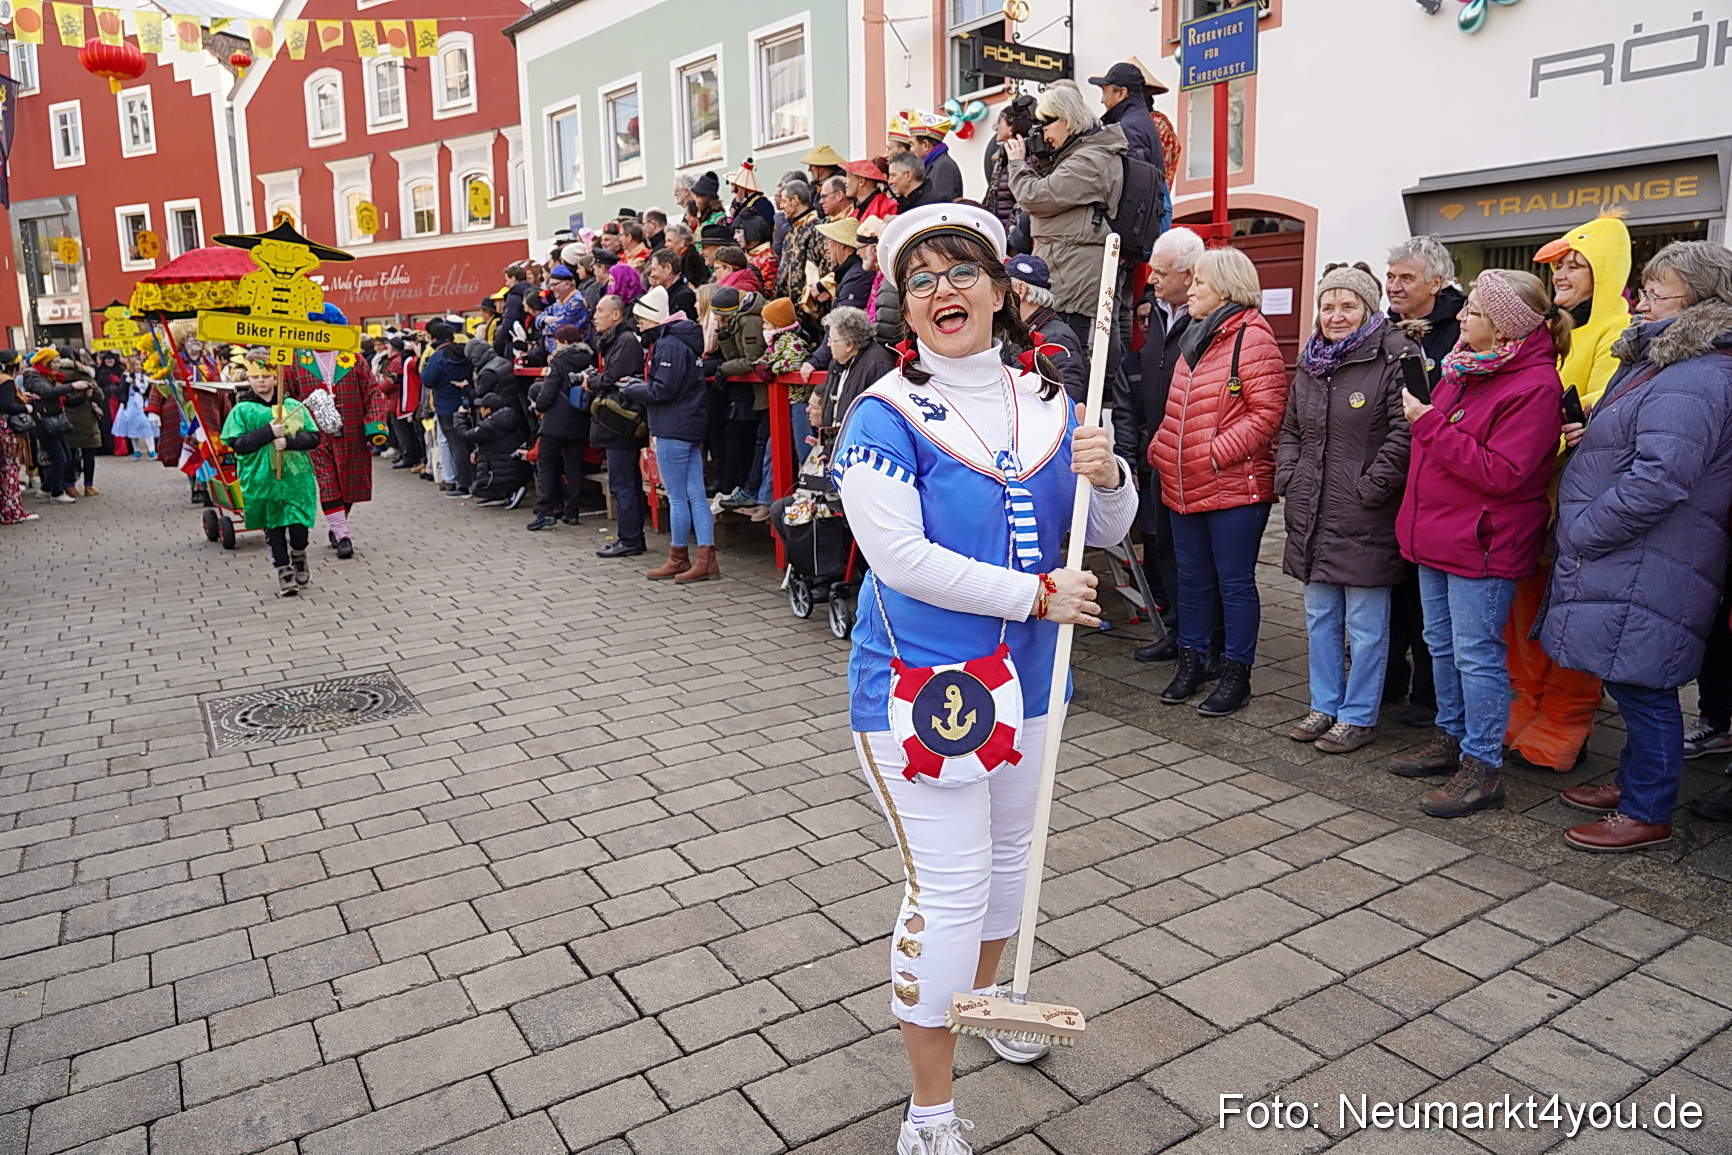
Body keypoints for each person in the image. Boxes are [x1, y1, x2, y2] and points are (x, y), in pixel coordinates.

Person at [831, 203, 1136, 1155]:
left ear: (1004, 291)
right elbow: (900, 557)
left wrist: (1113, 470)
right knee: (952, 888)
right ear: (904, 309)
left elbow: (1113, 531)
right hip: (922, 688)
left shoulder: (1058, 403)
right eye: (921, 280)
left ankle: (989, 1001)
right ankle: (928, 1111)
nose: (943, 291)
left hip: (1036, 685)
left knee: (1011, 873)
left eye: (963, 272)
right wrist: (1036, 594)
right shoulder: (883, 411)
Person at [1541, 242, 1732, 845]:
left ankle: (1647, 811)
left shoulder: (1696, 373)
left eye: (1656, 291)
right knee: (1632, 673)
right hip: (1640, 552)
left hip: (1653, 552)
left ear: (1700, 300)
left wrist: (1587, 527)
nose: (1640, 301)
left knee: (1645, 684)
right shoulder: (1668, 361)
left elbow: (1662, 477)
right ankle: (1636, 782)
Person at [1390, 270, 1568, 818]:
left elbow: (1505, 473)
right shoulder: (1465, 369)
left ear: (1503, 326)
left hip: (1483, 542)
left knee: (1476, 655)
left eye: (1473, 314)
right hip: (1438, 534)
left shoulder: (1534, 386)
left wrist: (1427, 424)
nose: (1460, 319)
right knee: (1442, 646)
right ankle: (1453, 740)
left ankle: (1484, 765)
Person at [1503, 213, 1633, 772]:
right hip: (1530, 491)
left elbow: (1605, 401)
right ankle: (1528, 700)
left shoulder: (1618, 328)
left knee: (1573, 615)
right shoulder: (1551, 325)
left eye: (1576, 265)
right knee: (1523, 608)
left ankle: (1567, 714)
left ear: (1604, 272)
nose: (1563, 275)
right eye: (1559, 265)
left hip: (1578, 497)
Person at [1277, 263, 1418, 754]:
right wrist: (1289, 478)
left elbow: (1407, 430)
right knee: (1319, 616)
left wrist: (1373, 485)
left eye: (1348, 306)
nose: (1336, 316)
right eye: (1328, 305)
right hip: (1312, 509)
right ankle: (1324, 705)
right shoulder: (1310, 363)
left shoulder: (1394, 356)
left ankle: (1359, 716)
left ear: (1368, 308)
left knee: (1365, 624)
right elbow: (1291, 429)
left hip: (1365, 509)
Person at [1150, 246, 1288, 717]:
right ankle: (1192, 662)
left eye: (1199, 283)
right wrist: (1162, 450)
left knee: (1233, 583)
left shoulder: (1252, 337)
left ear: (1226, 288)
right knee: (1191, 582)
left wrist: (1213, 454)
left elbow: (1268, 413)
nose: (1190, 290)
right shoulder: (1198, 334)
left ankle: (1236, 673)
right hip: (1186, 482)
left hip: (1233, 488)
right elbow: (1181, 408)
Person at [1382, 235, 1468, 728]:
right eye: (1390, 276)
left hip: (1437, 477)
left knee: (1426, 599)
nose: (1393, 286)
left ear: (1436, 282)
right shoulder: (1384, 327)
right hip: (1389, 477)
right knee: (1389, 586)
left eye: (1405, 278)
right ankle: (1389, 678)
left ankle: (1429, 696)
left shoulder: (1458, 330)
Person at [1119, 227, 1210, 662]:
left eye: (1160, 272)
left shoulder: (1204, 319)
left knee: (1197, 561)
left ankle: (1209, 643)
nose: (1150, 280)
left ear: (1189, 275)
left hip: (1191, 458)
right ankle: (1179, 631)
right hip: (1158, 455)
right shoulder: (1158, 313)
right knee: (1163, 549)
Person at [1005, 80, 1126, 349]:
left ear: (1066, 120)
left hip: (1074, 278)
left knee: (1069, 357)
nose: (1044, 135)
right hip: (1066, 269)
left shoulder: (1090, 160)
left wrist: (1017, 164)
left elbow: (1034, 197)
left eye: (1047, 127)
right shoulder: (1083, 155)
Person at [621, 286, 719, 583]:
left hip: (672, 427)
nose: (638, 326)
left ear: (654, 320)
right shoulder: (683, 340)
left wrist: (631, 388)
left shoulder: (667, 345)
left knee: (677, 497)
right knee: (696, 496)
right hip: (689, 424)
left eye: (641, 321)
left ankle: (679, 557)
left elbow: (662, 390)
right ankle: (705, 559)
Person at [220, 349, 323, 597]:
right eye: (256, 377)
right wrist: (267, 432)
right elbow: (237, 444)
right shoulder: (241, 410)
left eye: (266, 376)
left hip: (295, 478)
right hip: (261, 477)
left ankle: (299, 553)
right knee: (273, 524)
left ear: (276, 377)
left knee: (298, 522)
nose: (261, 382)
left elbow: (314, 437)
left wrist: (290, 441)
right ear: (249, 380)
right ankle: (283, 569)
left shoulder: (293, 406)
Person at [283, 334, 388, 559]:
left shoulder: (353, 358)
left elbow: (372, 392)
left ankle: (337, 524)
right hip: (315, 434)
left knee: (350, 482)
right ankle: (342, 535)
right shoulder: (296, 360)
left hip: (352, 431)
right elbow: (288, 398)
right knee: (328, 482)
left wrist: (375, 425)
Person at [588, 295, 650, 558]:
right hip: (615, 424)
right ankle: (630, 537)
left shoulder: (624, 342)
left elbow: (613, 379)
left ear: (616, 315)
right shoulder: (616, 341)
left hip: (620, 422)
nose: (595, 315)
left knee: (623, 484)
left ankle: (631, 539)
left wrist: (592, 381)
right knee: (625, 483)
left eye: (601, 311)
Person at [527, 324, 592, 531]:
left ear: (562, 342)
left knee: (545, 462)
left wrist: (538, 406)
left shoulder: (558, 361)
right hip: (579, 420)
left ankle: (546, 510)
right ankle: (572, 512)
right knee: (573, 465)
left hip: (555, 421)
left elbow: (548, 391)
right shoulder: (588, 360)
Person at [710, 286, 768, 512]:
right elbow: (736, 356)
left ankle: (753, 490)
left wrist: (723, 368)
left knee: (762, 442)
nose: (715, 318)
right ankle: (750, 488)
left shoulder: (750, 322)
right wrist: (724, 336)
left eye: (718, 313)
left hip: (764, 394)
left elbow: (751, 360)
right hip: (757, 394)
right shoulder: (737, 322)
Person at [1002, 254, 1086, 401]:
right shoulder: (1019, 329)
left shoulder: (1056, 337)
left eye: (1003, 288)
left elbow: (1067, 398)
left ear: (1020, 290)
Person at [421, 320, 473, 495]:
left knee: (455, 444)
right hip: (466, 402)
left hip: (445, 405)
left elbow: (428, 380)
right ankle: (470, 480)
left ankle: (463, 484)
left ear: (435, 338)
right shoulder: (464, 352)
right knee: (467, 443)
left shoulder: (438, 357)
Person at [453, 392, 529, 509]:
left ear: (488, 410)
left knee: (479, 486)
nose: (479, 411)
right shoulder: (508, 418)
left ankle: (511, 490)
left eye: (481, 408)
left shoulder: (491, 424)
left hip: (504, 471)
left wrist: (459, 416)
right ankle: (501, 494)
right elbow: (498, 442)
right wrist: (477, 451)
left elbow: (465, 436)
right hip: (516, 468)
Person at [1088, 62, 1163, 170]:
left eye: (1104, 92)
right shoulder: (1138, 119)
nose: (1102, 100)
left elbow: (1135, 179)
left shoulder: (1130, 127)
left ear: (1122, 93)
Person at [986, 96, 1038, 234]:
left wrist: (1008, 231)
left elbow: (1021, 201)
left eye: (1000, 123)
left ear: (1011, 129)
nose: (996, 128)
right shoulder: (1004, 157)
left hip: (1011, 236)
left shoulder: (1026, 159)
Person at [0, 353, 38, 525]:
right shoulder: (7, 381)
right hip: (4, 430)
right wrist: (25, 407)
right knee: (9, 470)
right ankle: (13, 512)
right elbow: (5, 406)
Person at [58, 359, 105, 497]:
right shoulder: (84, 374)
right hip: (87, 419)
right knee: (89, 455)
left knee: (69, 456)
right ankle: (88, 486)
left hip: (65, 419)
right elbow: (99, 395)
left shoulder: (56, 375)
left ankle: (70, 486)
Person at [775, 180, 827, 303]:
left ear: (795, 200)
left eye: (784, 201)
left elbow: (819, 269)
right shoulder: (792, 232)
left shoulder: (816, 228)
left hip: (809, 308)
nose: (781, 206)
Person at [908, 111, 964, 202]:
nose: (911, 150)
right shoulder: (934, 165)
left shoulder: (944, 166)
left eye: (913, 144)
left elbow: (941, 205)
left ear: (925, 145)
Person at [536, 264, 591, 350]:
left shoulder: (577, 302)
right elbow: (539, 316)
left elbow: (558, 329)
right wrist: (544, 319)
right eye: (550, 285)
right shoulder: (559, 300)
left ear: (567, 284)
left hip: (572, 352)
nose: (551, 288)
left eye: (554, 284)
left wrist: (545, 322)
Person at [111, 367, 156, 460]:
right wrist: (128, 381)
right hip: (131, 404)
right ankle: (136, 450)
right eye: (135, 365)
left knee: (146, 425)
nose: (138, 367)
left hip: (143, 404)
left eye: (140, 365)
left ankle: (152, 450)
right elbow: (121, 390)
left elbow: (148, 392)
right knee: (132, 427)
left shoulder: (146, 378)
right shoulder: (127, 377)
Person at [647, 249, 698, 322]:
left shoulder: (684, 296)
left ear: (668, 268)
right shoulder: (660, 292)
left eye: (654, 270)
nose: (652, 274)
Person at [727, 160, 776, 230]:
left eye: (735, 187)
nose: (732, 191)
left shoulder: (762, 205)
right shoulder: (748, 204)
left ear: (744, 188)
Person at [738, 216, 779, 292]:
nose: (735, 237)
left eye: (738, 232)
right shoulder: (746, 254)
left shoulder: (768, 257)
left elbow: (769, 289)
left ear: (752, 232)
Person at [664, 222, 710, 287]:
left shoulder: (692, 259)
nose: (665, 245)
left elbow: (696, 285)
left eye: (669, 241)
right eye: (666, 241)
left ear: (682, 242)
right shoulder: (683, 257)